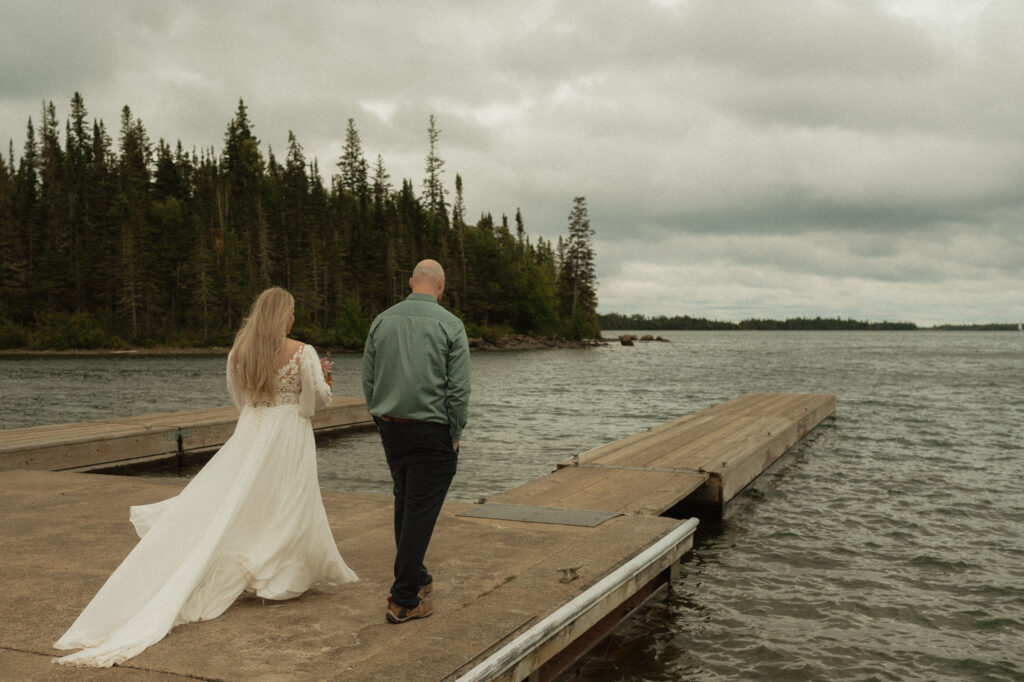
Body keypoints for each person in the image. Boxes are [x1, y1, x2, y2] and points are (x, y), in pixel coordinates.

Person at [54, 287, 357, 667]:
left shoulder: (239, 353)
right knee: (288, 500)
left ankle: (265, 571)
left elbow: (239, 398)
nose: (294, 319)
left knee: (241, 503)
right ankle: (279, 579)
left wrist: (259, 414)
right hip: (289, 434)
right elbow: (313, 405)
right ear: (284, 316)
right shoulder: (303, 351)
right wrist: (325, 381)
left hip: (251, 431)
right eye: (291, 313)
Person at [362, 259, 470, 624]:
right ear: (441, 286)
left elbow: (368, 379)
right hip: (433, 429)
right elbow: (458, 390)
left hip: (392, 427)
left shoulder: (382, 321)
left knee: (406, 501)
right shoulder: (451, 325)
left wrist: (380, 419)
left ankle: (417, 575)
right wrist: (455, 432)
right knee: (419, 508)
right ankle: (404, 598)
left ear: (412, 283)